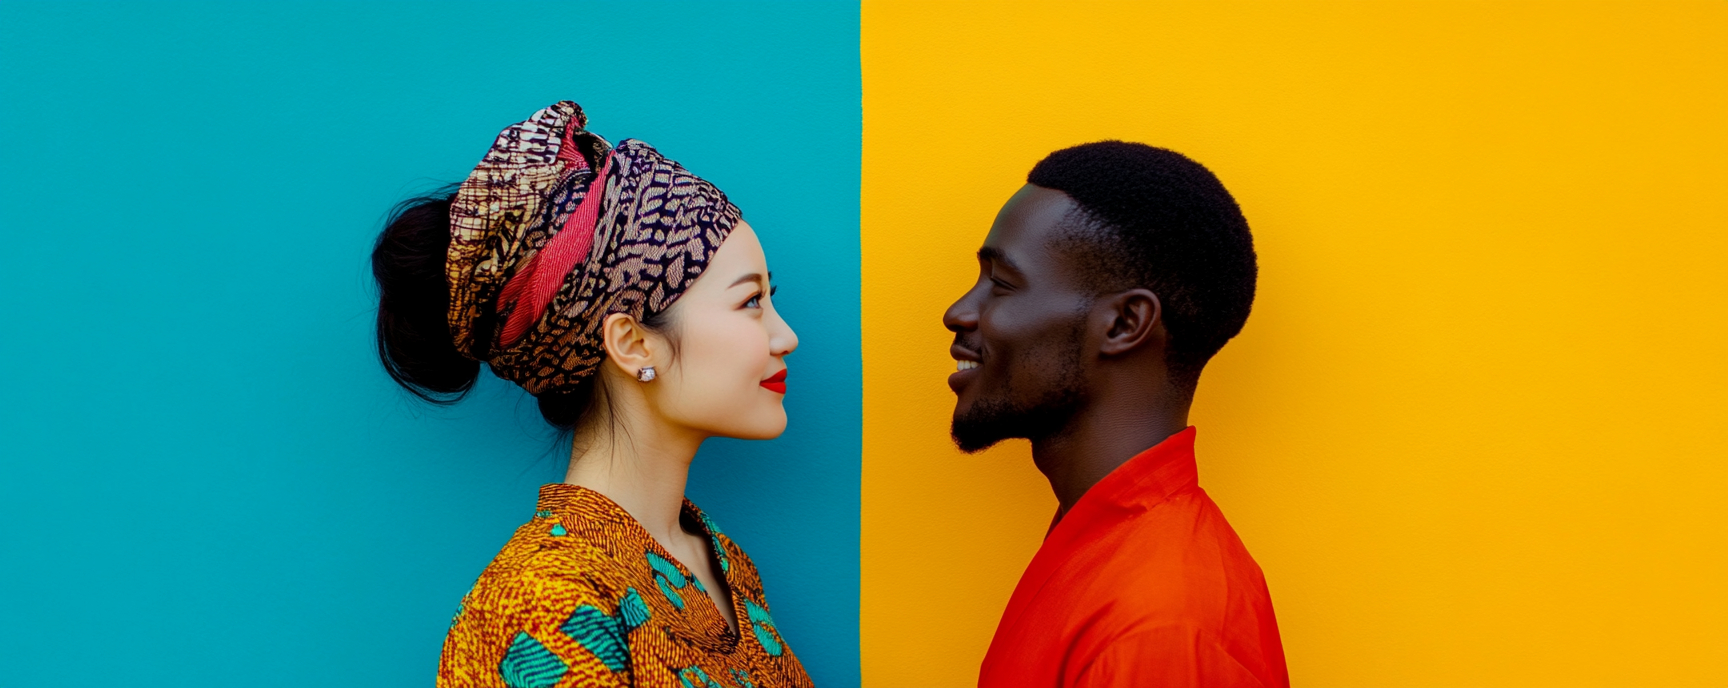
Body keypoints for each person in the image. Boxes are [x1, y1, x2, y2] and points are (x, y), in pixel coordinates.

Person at [372, 101, 810, 688]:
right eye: (750, 302)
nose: (786, 336)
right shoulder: (545, 599)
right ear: (631, 343)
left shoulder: (723, 562)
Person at [945, 142, 1288, 688]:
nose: (958, 311)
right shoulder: (1102, 545)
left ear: (1125, 323)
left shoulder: (1161, 627)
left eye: (1002, 284)